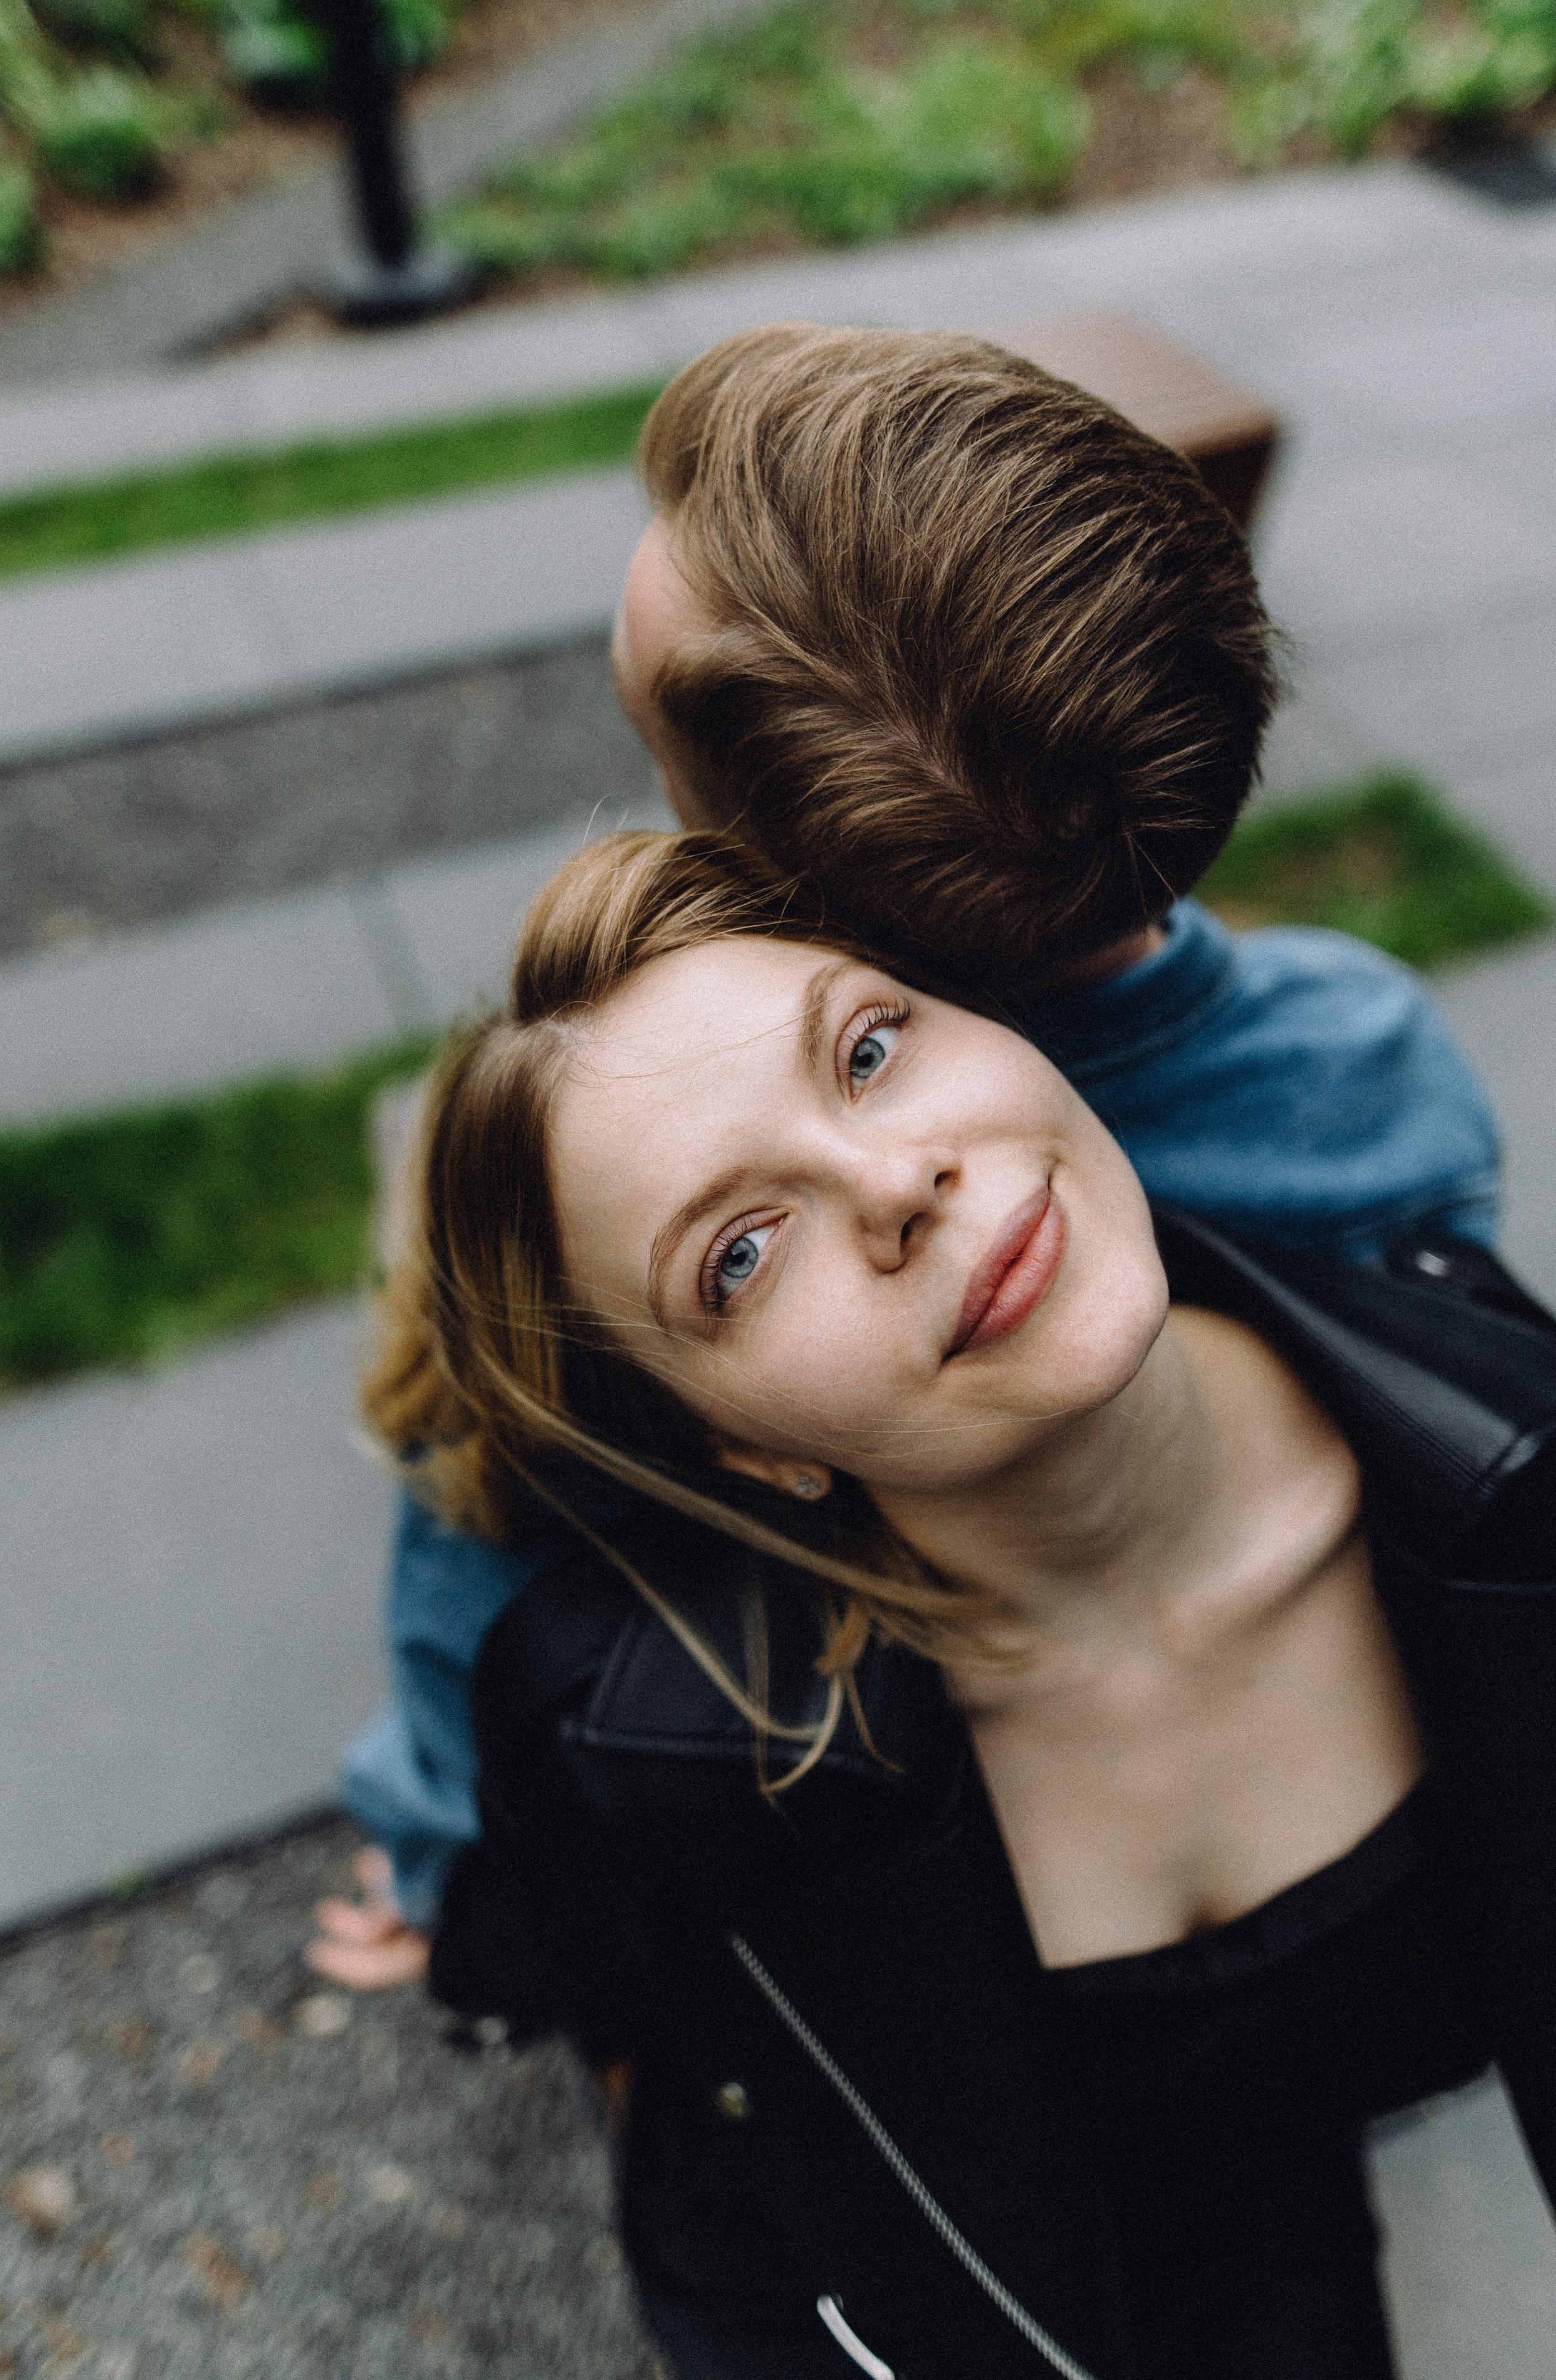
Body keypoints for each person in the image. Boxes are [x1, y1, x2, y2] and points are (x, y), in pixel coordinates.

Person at [309, 323, 1500, 1990]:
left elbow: (471, 1534)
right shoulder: (1367, 1069)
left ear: (766, 863)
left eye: (642, 731)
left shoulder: (626, 1189)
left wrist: (431, 1834)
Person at [367, 829, 1555, 2380]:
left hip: (1283, 2206)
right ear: (737, 1444)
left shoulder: (1506, 1494)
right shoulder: (638, 1738)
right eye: (739, 1251)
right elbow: (599, 2002)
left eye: (866, 1047)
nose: (893, 1181)